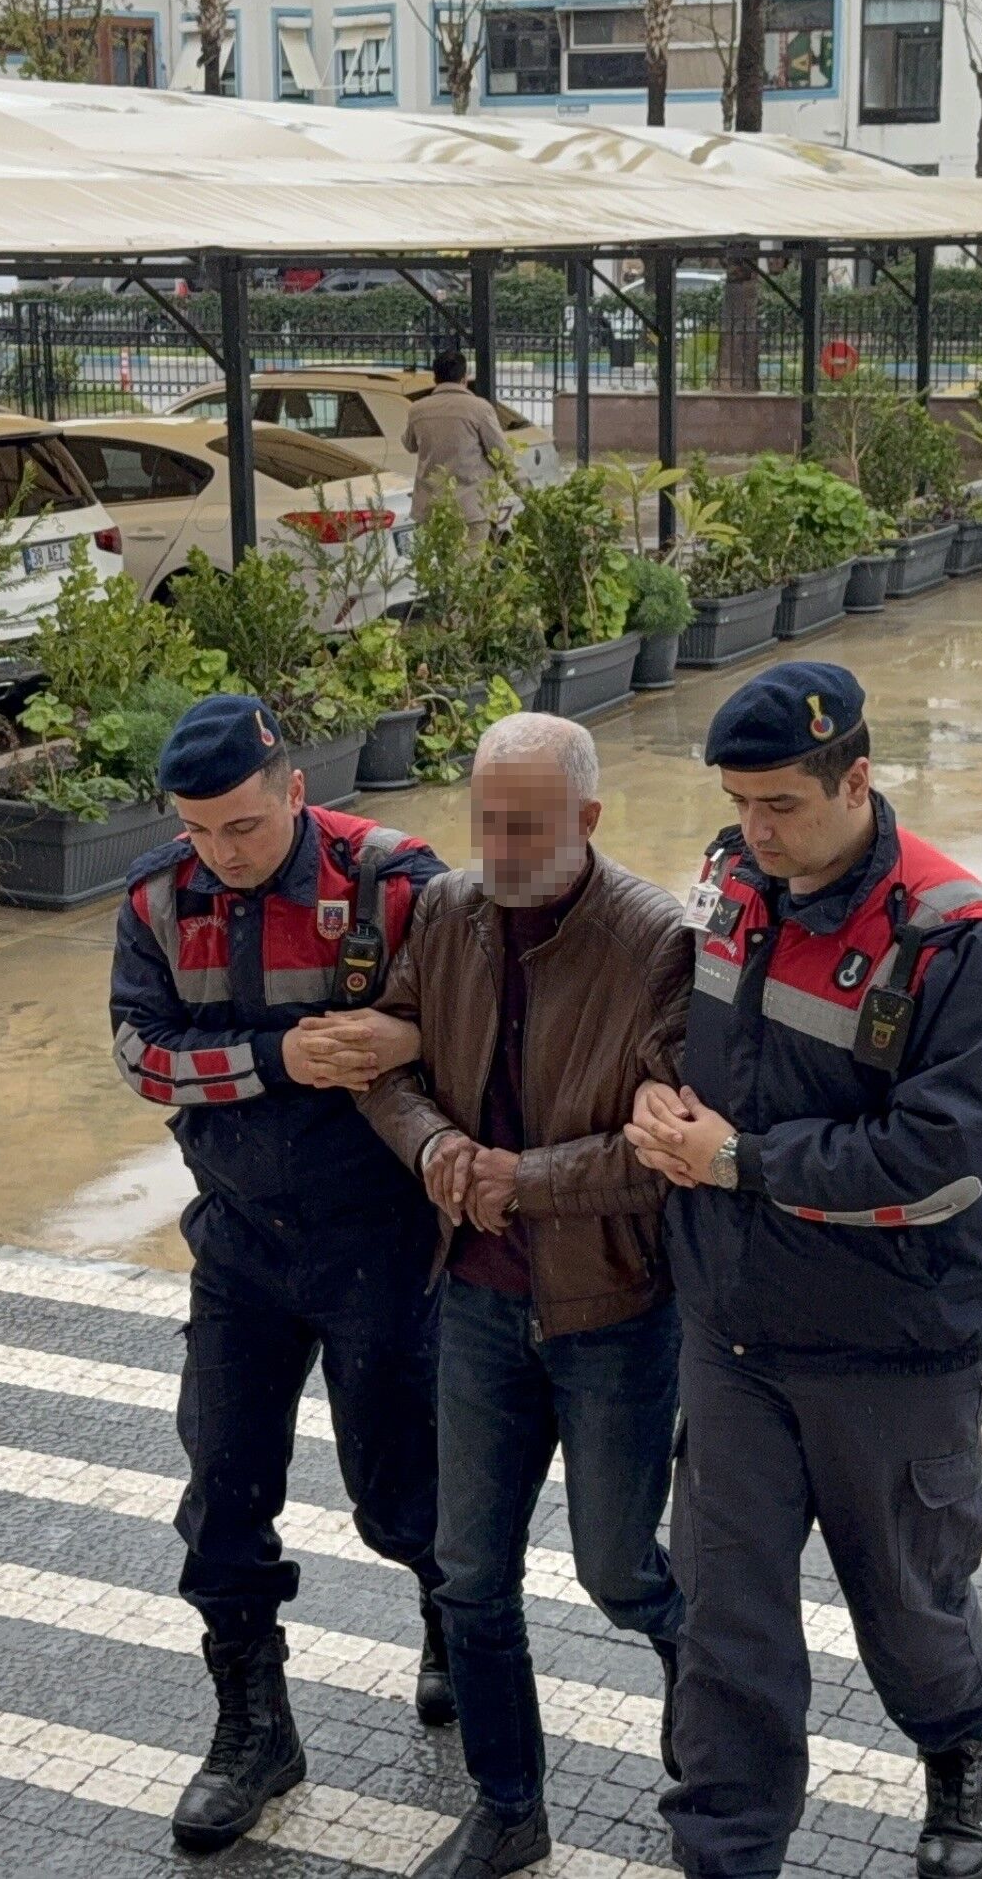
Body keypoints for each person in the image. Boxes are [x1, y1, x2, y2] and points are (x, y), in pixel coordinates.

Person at [630, 663, 982, 1879]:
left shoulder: (954, 942)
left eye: (781, 807)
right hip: (737, 1330)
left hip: (894, 1341)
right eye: (738, 805)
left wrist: (740, 1160)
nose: (753, 835)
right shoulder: (731, 877)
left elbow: (943, 1160)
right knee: (725, 1624)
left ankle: (956, 1751)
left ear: (856, 780)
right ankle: (726, 1851)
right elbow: (694, 1021)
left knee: (908, 1603)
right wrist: (657, 1084)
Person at [108, 694, 457, 1856]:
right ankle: (254, 1728)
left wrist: (406, 1041)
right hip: (241, 1243)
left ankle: (448, 1617)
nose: (224, 852)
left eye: (245, 827)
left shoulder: (394, 881)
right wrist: (275, 1058)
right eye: (201, 829)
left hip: (380, 1239)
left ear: (297, 792)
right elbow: (142, 1058)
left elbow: (486, 1018)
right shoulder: (159, 899)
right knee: (220, 1489)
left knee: (400, 1491)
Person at [352, 713, 692, 1879]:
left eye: (525, 826)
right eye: (485, 821)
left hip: (610, 1311)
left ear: (588, 822)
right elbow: (388, 1067)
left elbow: (666, 1150)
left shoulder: (653, 942)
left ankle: (719, 1722)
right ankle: (509, 1807)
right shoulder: (445, 912)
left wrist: (521, 1181)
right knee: (471, 1576)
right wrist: (433, 1147)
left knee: (620, 1573)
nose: (497, 847)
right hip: (474, 1307)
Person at [402, 349, 512, 530]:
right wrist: (528, 495)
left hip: (431, 511)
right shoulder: (479, 409)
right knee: (471, 558)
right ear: (464, 379)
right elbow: (503, 456)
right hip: (471, 512)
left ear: (435, 379)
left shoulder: (417, 409)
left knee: (441, 559)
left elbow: (409, 444)